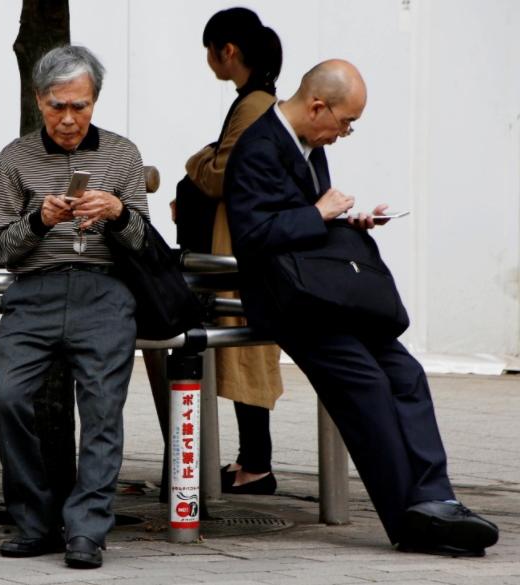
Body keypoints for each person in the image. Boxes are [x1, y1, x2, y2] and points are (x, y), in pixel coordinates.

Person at [223, 59, 499, 556]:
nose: (346, 133)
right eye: (346, 121)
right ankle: (407, 520)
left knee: (406, 372)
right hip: (292, 304)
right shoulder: (258, 148)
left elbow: (306, 222)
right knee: (367, 384)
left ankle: (437, 499)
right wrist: (317, 213)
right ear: (317, 106)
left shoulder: (309, 143)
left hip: (326, 293)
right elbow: (253, 236)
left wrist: (349, 222)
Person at [0, 45, 148, 570]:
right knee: (6, 399)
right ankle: (35, 519)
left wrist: (118, 212)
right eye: (57, 107)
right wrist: (39, 220)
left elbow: (144, 242)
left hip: (105, 290)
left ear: (94, 100)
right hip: (35, 291)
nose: (69, 119)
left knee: (102, 408)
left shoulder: (122, 155)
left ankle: (87, 530)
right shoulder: (15, 157)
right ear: (38, 101)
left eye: (79, 105)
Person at [177, 7, 284, 495]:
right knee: (246, 353)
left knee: (245, 353)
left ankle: (255, 466)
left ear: (229, 51)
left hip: (241, 246)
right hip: (246, 242)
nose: (208, 60)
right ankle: (251, 462)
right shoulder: (260, 101)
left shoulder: (253, 105)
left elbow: (223, 172)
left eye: (209, 50)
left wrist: (196, 158)